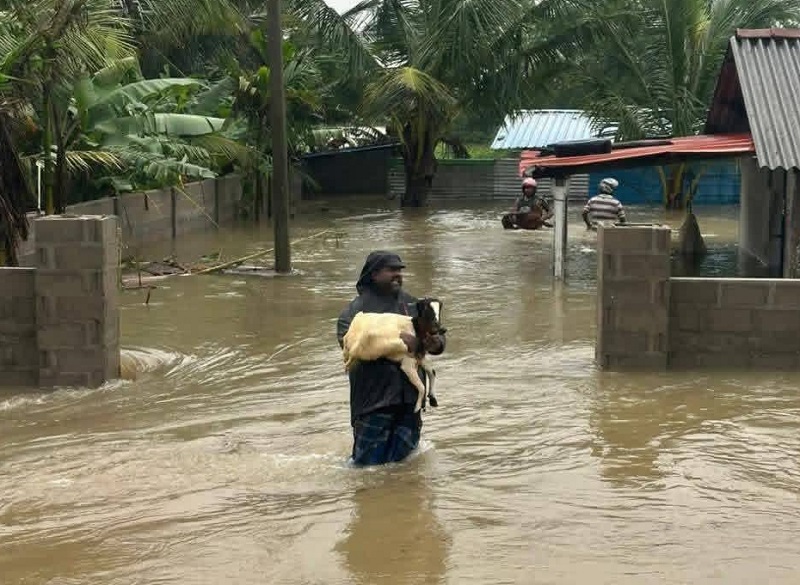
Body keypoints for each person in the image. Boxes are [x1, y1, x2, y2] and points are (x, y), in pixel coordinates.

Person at [336, 251, 446, 466]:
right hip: (373, 403)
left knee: (406, 466)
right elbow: (350, 346)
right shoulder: (353, 314)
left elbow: (437, 338)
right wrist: (403, 343)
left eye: (400, 270)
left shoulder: (415, 305)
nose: (398, 274)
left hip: (409, 401)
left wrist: (433, 343)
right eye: (392, 270)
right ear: (374, 274)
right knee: (367, 469)